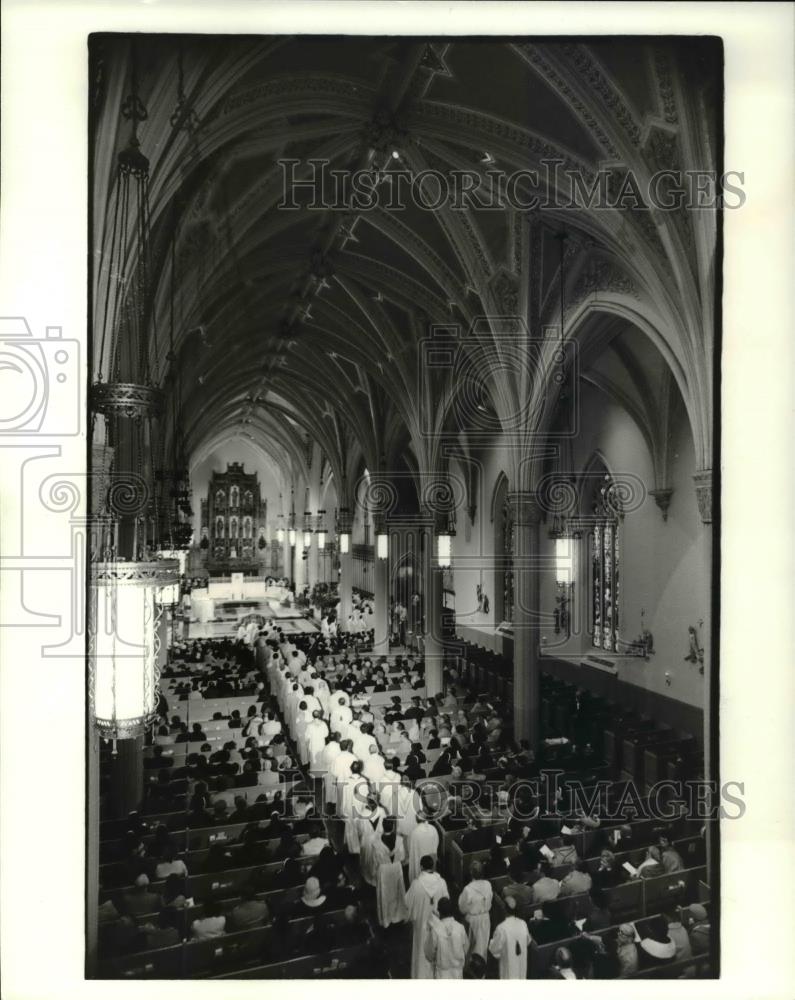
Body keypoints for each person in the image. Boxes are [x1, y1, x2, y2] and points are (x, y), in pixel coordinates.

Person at [405, 855, 449, 979]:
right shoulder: (441, 882)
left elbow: (407, 903)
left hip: (421, 924)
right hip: (437, 924)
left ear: (421, 867)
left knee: (421, 951)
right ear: (433, 866)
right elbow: (447, 901)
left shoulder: (416, 884)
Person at [423, 897, 468, 979]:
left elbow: (428, 954)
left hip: (442, 975)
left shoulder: (436, 930)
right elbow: (466, 949)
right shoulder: (460, 928)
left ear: (439, 912)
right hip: (458, 974)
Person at [488, 895, 532, 979]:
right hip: (521, 963)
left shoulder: (502, 928)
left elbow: (494, 949)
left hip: (508, 966)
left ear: (504, 910)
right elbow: (528, 941)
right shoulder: (522, 923)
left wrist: (491, 943)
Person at [374, 819, 408, 928]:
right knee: (398, 892)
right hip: (396, 867)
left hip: (384, 869)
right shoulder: (399, 840)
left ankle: (387, 918)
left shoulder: (376, 843)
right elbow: (402, 857)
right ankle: (398, 915)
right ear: (393, 827)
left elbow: (375, 860)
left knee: (385, 894)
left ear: (383, 827)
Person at [457, 861, 493, 959]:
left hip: (472, 921)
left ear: (471, 873)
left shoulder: (468, 889)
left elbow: (462, 908)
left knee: (471, 948)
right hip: (485, 918)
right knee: (483, 947)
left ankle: (472, 970)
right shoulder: (488, 884)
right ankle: (481, 971)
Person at [407, 812, 439, 882]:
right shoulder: (433, 829)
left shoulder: (415, 832)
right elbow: (436, 843)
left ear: (416, 819)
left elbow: (411, 849)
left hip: (419, 860)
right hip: (431, 859)